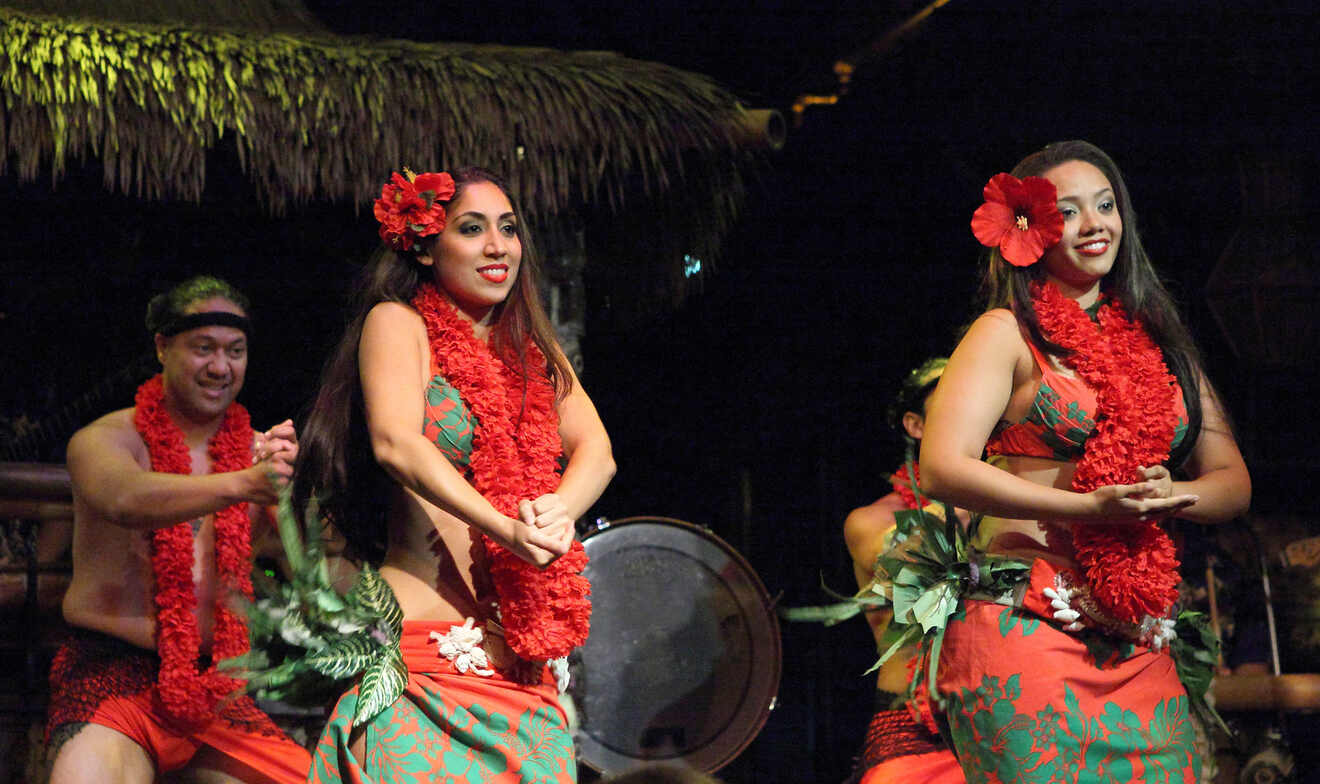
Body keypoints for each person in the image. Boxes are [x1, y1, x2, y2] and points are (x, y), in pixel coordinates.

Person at [918, 140, 1251, 782]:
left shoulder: (1162, 343)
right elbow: (943, 465)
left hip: (1137, 634)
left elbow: (1232, 483)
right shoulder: (1005, 333)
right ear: (1032, 230)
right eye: (1068, 212)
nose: (1096, 224)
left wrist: (1173, 492)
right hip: (1023, 624)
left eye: (1105, 205)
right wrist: (1085, 507)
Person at [294, 167, 615, 782]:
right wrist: (503, 527)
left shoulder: (531, 351)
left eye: (509, 229)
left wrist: (558, 512)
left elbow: (597, 450)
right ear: (423, 245)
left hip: (523, 666)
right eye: (472, 229)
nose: (498, 246)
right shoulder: (398, 324)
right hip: (424, 654)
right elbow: (396, 444)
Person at [45, 276, 312, 784]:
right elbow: (124, 499)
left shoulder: (260, 458)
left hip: (218, 689)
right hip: (112, 675)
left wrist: (298, 491)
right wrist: (245, 483)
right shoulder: (106, 440)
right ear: (162, 347)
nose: (220, 367)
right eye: (203, 348)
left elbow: (321, 564)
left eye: (235, 351)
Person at [842, 358, 965, 784]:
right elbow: (907, 561)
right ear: (916, 425)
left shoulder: (1006, 515)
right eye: (952, 403)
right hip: (910, 736)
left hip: (998, 726)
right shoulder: (870, 522)